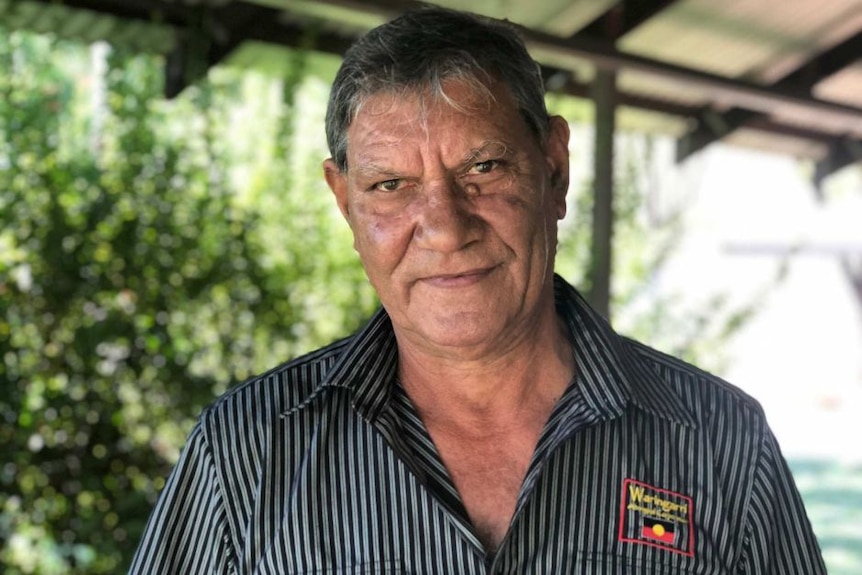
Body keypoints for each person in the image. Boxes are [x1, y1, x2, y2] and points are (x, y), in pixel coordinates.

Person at [129, 6, 826, 574]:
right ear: (346, 204)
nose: (444, 225)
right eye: (390, 186)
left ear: (553, 167)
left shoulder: (722, 443)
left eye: (484, 167)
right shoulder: (245, 454)